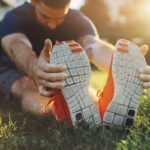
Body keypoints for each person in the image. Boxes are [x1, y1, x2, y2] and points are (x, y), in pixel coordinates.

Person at [0, 0, 150, 125]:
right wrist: (34, 68)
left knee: (82, 92)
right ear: (34, 2)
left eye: (59, 18)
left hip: (60, 72)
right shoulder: (15, 17)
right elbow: (16, 46)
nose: (53, 25)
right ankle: (59, 113)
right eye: (46, 16)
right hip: (13, 71)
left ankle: (100, 111)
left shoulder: (77, 19)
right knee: (30, 86)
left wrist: (123, 61)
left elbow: (94, 46)